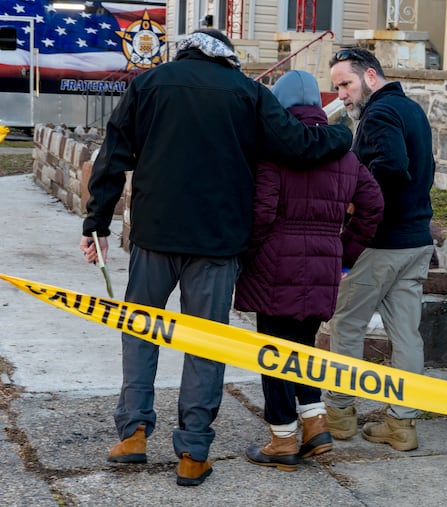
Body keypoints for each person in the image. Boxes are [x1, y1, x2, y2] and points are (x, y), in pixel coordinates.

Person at [79, 29, 353, 486]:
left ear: (185, 51)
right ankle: (193, 452)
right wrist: (341, 136)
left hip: (155, 236)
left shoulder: (149, 84)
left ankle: (133, 435)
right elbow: (296, 145)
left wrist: (97, 224)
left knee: (140, 332)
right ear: (227, 58)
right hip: (219, 243)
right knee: (205, 344)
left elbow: (113, 155)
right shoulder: (247, 91)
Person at [233, 70, 384, 472]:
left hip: (273, 264)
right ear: (318, 107)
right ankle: (315, 426)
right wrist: (343, 253)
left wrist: (246, 254)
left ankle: (282, 440)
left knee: (273, 353)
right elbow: (373, 206)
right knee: (302, 347)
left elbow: (262, 213)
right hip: (321, 264)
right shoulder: (347, 156)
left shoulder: (273, 154)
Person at [324, 48, 436, 451]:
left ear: (370, 76)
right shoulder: (412, 110)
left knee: (346, 324)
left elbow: (391, 164)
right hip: (417, 239)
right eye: (338, 86)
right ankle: (401, 425)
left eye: (346, 84)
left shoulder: (381, 113)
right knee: (406, 334)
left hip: (382, 241)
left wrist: (356, 197)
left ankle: (338, 415)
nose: (342, 94)